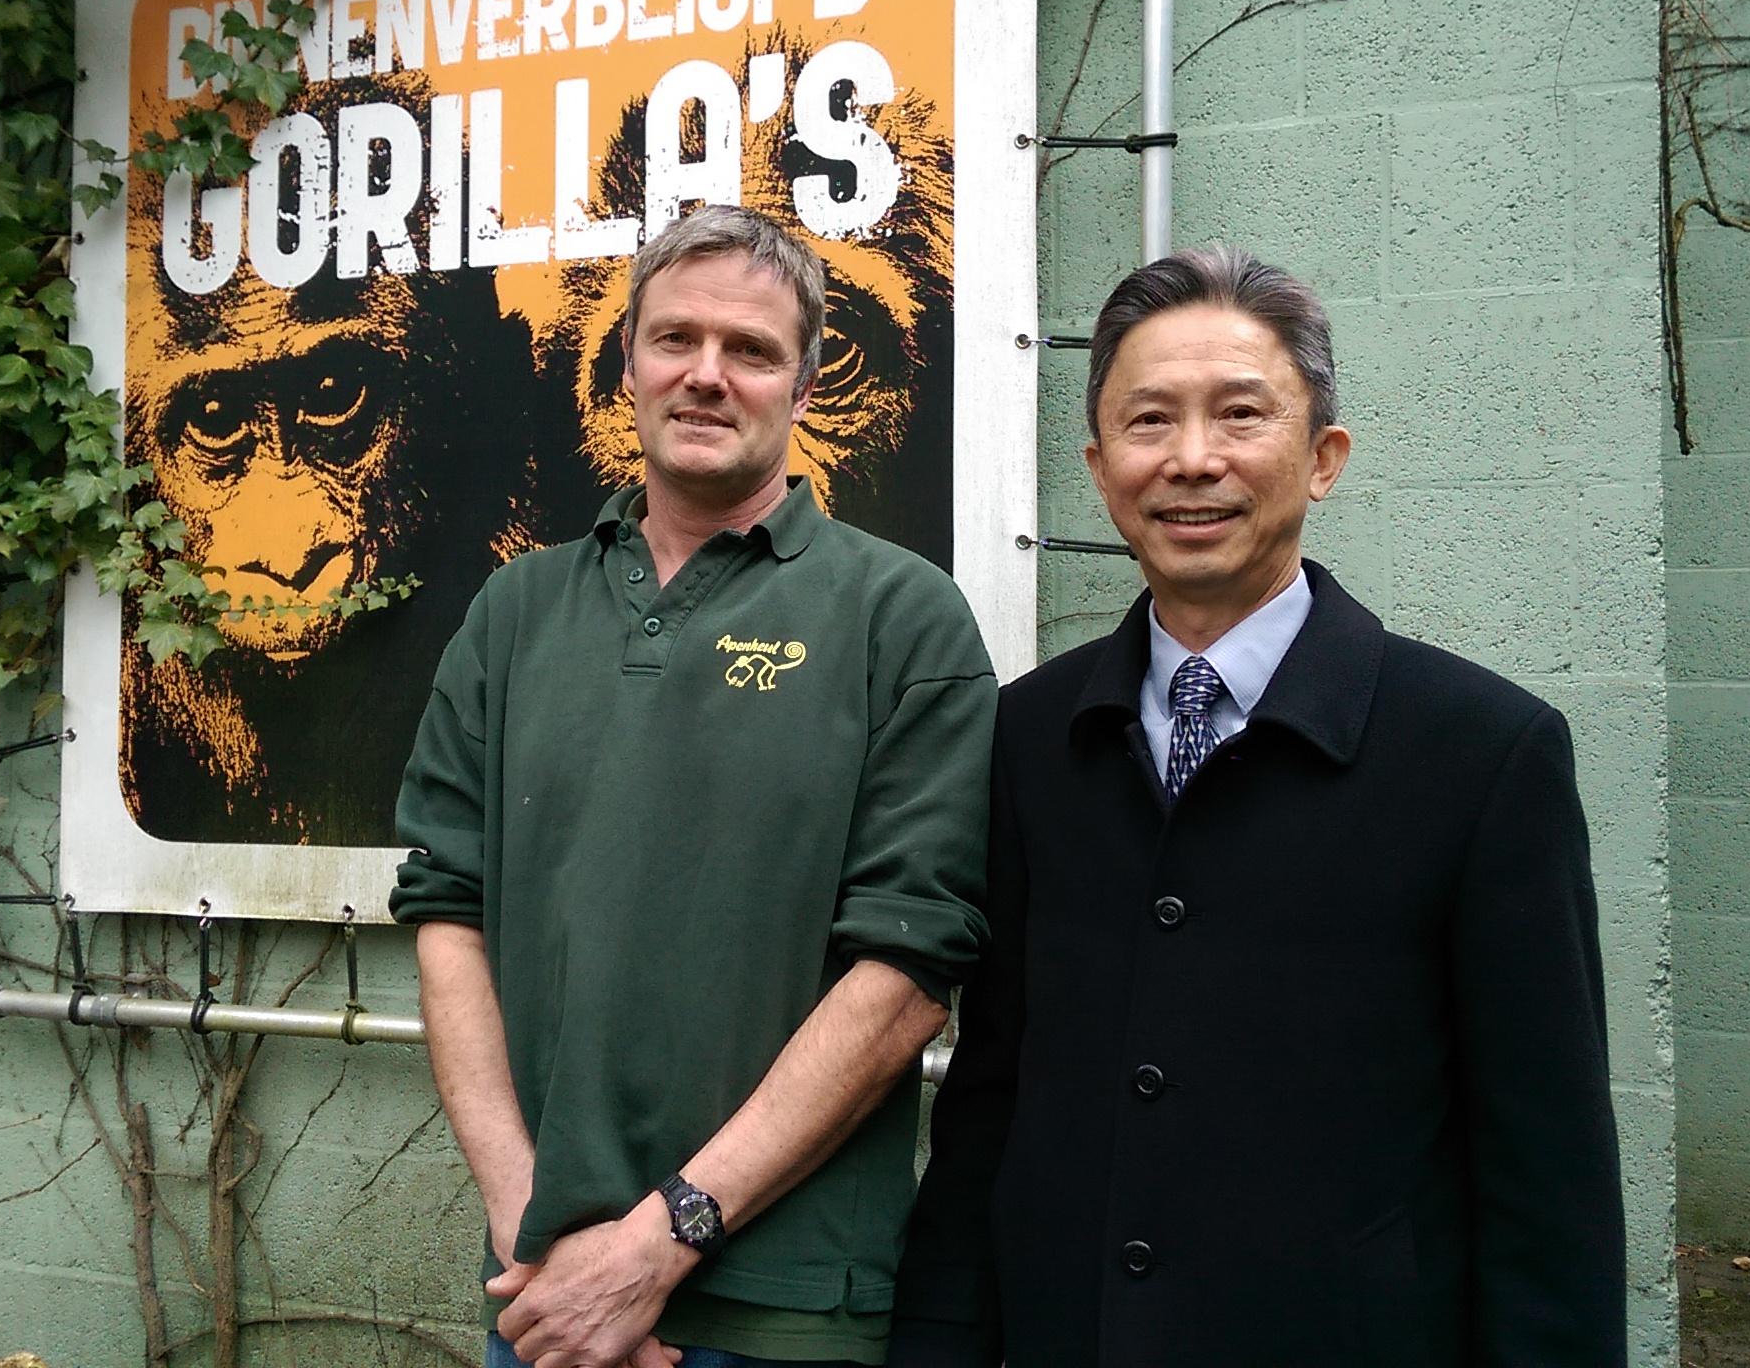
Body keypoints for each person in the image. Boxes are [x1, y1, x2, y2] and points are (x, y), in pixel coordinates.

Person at [888, 247, 1627, 1366]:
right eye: (1148, 422)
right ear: (1098, 465)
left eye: (1241, 414)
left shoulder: (1484, 753)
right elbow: (990, 1104)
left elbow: (1548, 1176)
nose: (1193, 460)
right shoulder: (1030, 736)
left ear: (1324, 456)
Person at [392, 204, 997, 1368]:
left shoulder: (901, 618)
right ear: (627, 364)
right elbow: (445, 911)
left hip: (784, 1313)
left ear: (805, 385)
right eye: (675, 339)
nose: (706, 375)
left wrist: (659, 1240)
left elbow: (912, 970)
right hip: (547, 1304)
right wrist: (545, 1233)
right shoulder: (513, 613)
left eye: (753, 350)